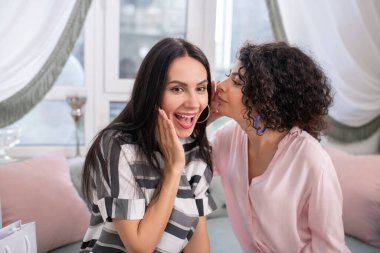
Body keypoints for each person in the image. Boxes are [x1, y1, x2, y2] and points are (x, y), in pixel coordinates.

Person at [209, 41, 351, 252]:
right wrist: (206, 117)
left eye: (237, 81)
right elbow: (184, 168)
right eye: (229, 75)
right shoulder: (228, 137)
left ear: (266, 97)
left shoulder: (312, 161)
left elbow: (330, 248)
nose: (221, 85)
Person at [80, 37, 216, 253]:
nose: (193, 102)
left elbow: (197, 242)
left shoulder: (197, 148)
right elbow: (140, 247)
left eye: (200, 89)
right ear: (152, 92)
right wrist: (173, 168)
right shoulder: (118, 147)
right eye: (177, 89)